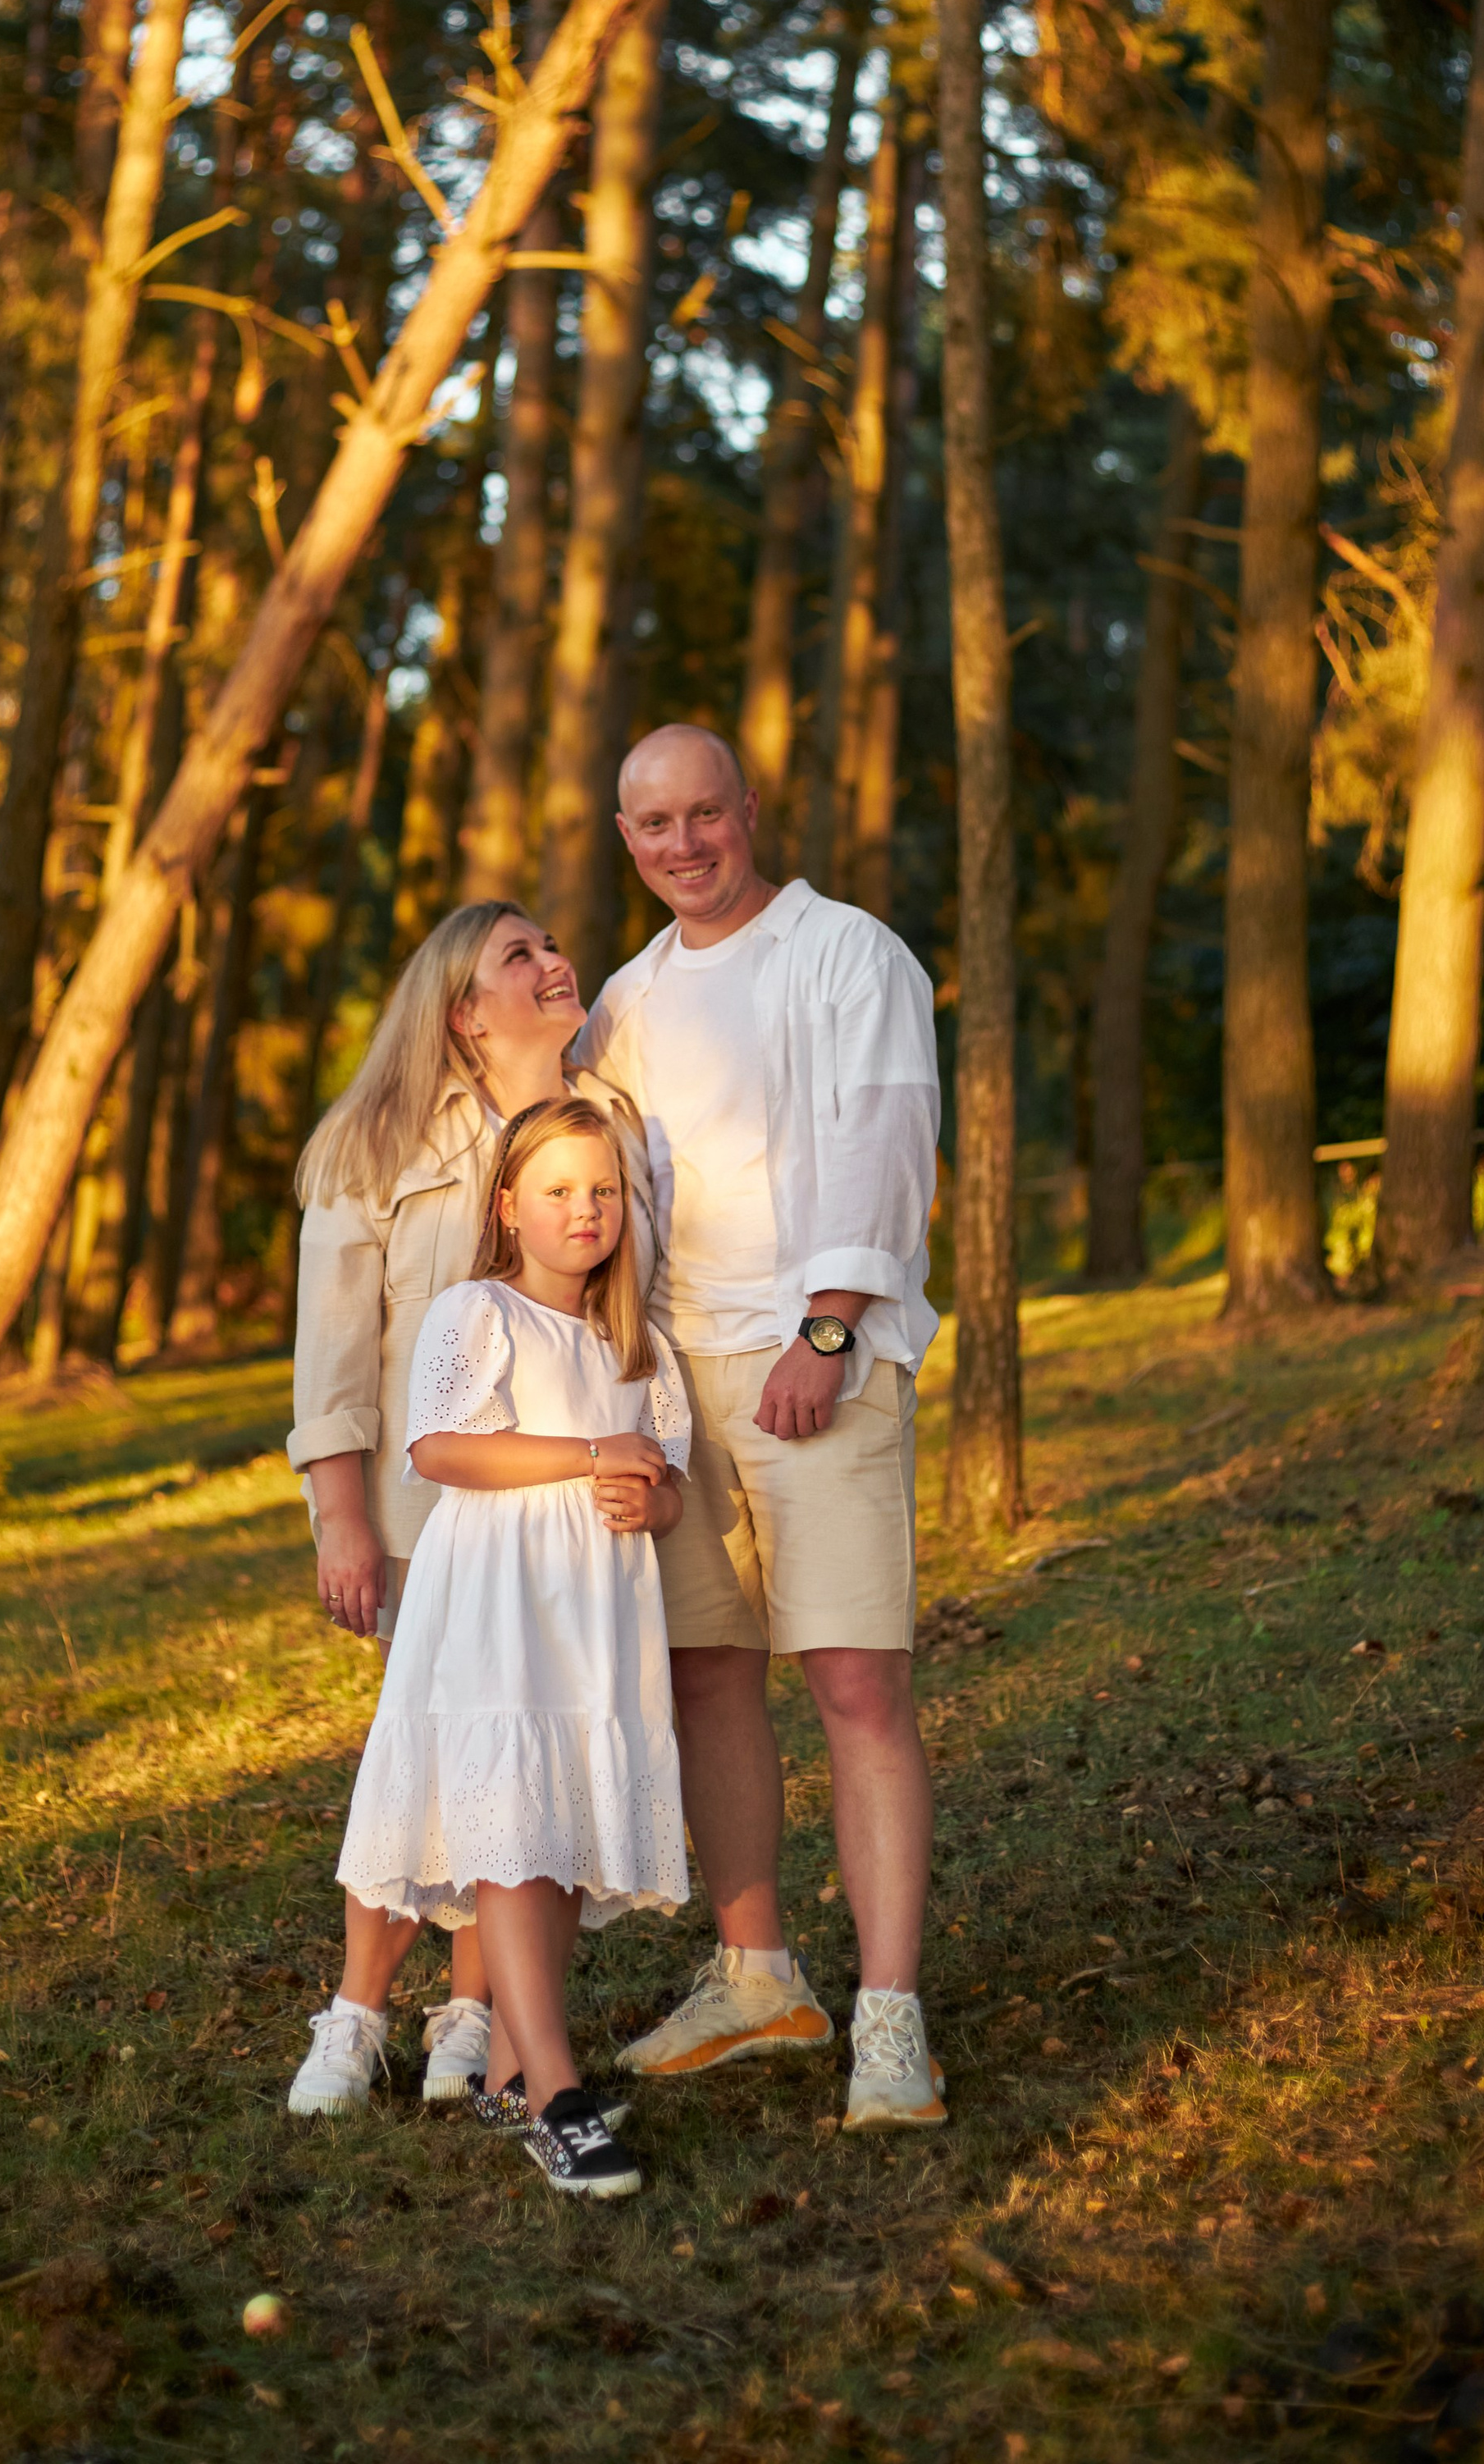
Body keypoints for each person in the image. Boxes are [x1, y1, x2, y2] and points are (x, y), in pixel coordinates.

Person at [577, 722, 945, 2129]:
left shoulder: (851, 953)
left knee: (856, 1685)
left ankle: (890, 2019)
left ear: (748, 809)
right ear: (629, 836)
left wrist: (830, 1331)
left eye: (705, 815)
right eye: (655, 824)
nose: (684, 844)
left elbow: (888, 1147)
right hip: (677, 1389)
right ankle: (758, 1976)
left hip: (817, 1366)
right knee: (709, 1680)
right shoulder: (622, 1002)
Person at [283, 903, 653, 2119]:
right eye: (520, 955)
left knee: (525, 1759)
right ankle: (356, 2013)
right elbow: (333, 1360)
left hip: (570, 1527)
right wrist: (343, 1519)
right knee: (430, 1751)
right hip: (426, 1510)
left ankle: (477, 2010)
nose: (557, 962)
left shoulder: (614, 1123)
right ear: (462, 1009)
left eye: (556, 943)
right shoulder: (374, 1146)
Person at [336, 1096, 691, 2197]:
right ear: (508, 1208)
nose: (583, 1211)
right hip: (499, 1604)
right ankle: (558, 2098)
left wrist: (653, 1503)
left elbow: (666, 1481)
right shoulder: (477, 1310)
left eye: (601, 1191)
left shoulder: (639, 1345)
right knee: (513, 1833)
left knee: (561, 1829)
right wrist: (595, 1453)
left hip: (594, 1611)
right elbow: (438, 1446)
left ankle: (503, 2072)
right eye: (556, 1191)